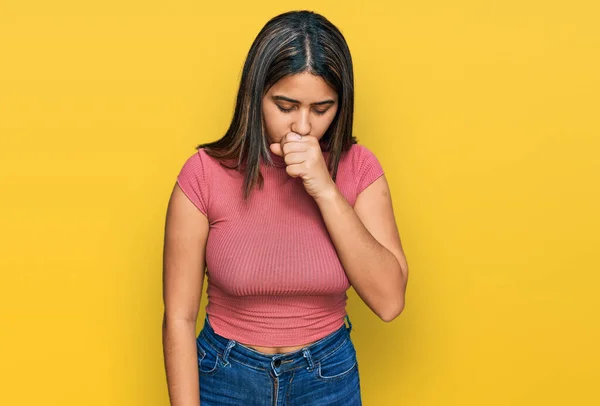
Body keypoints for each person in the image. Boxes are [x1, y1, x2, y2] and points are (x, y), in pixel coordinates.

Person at [162, 10, 409, 406]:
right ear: (255, 95)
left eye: (321, 109)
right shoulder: (204, 175)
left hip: (326, 377)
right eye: (286, 105)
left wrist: (325, 190)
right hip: (225, 376)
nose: (303, 127)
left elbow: (390, 301)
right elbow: (178, 318)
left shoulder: (359, 169)